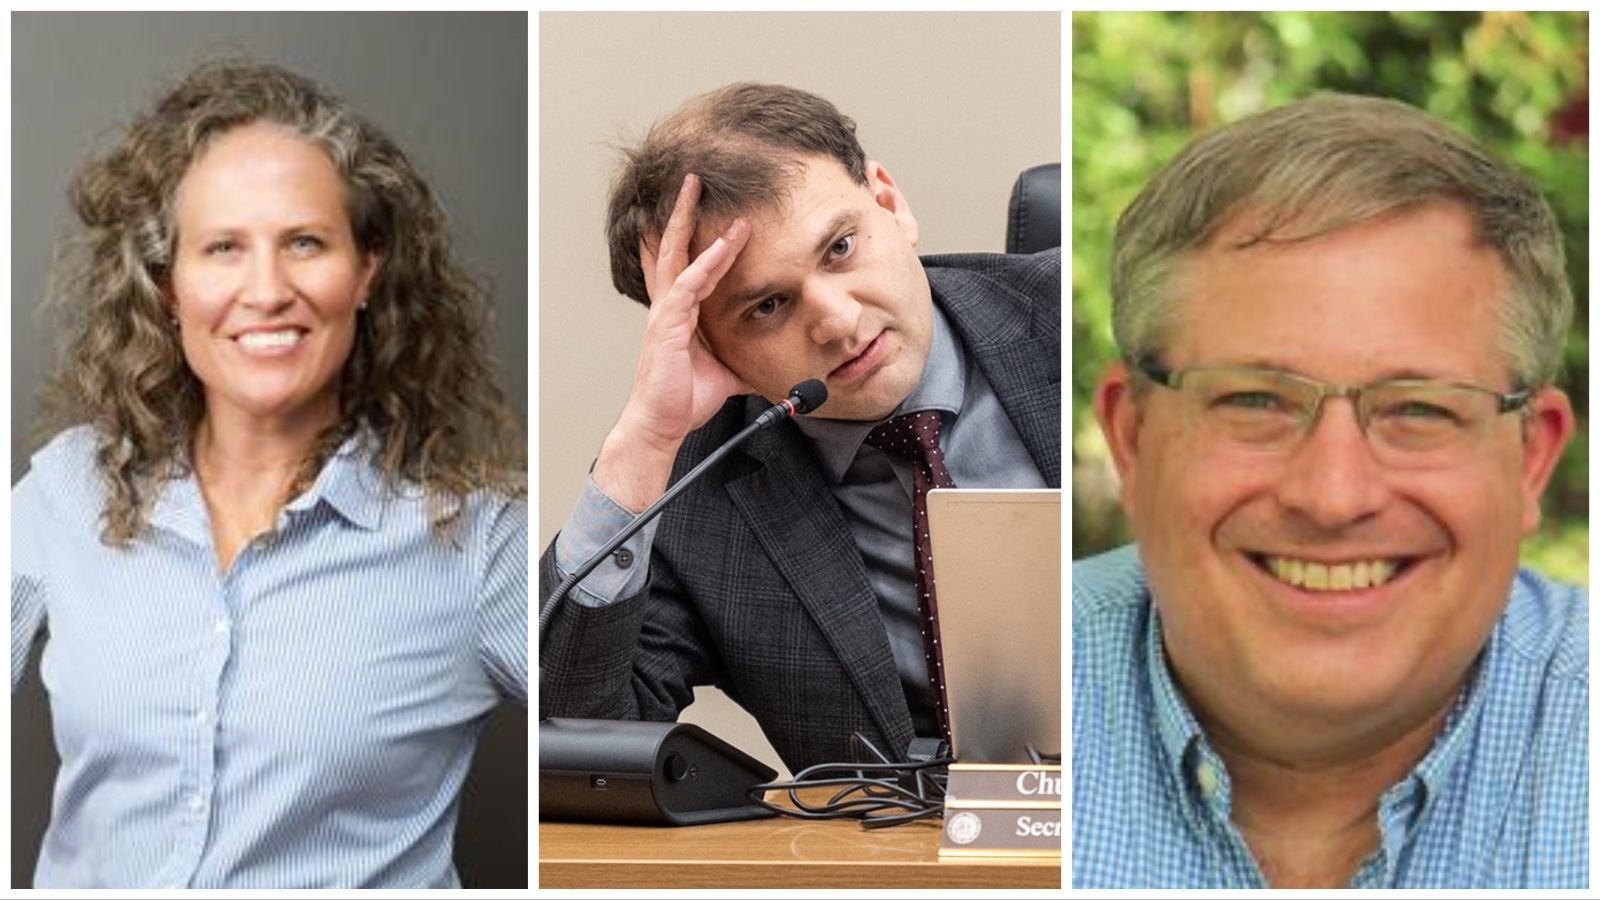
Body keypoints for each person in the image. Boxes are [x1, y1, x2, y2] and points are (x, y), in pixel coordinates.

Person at [10, 60, 527, 888]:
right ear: (168, 286)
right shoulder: (68, 490)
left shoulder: (477, 541)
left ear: (366, 270)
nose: (267, 290)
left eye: (305, 243)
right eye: (223, 248)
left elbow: (619, 726)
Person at [1074, 93, 1584, 888]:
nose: (1334, 496)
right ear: (1132, 437)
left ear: (1530, 459)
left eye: (1420, 409)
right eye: (1255, 400)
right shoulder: (1006, 695)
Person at [539, 83, 1060, 772]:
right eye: (767, 307)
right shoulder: (695, 495)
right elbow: (574, 746)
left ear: (889, 202)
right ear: (705, 341)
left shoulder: (1079, 314)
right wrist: (643, 443)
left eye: (840, 247)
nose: (838, 322)